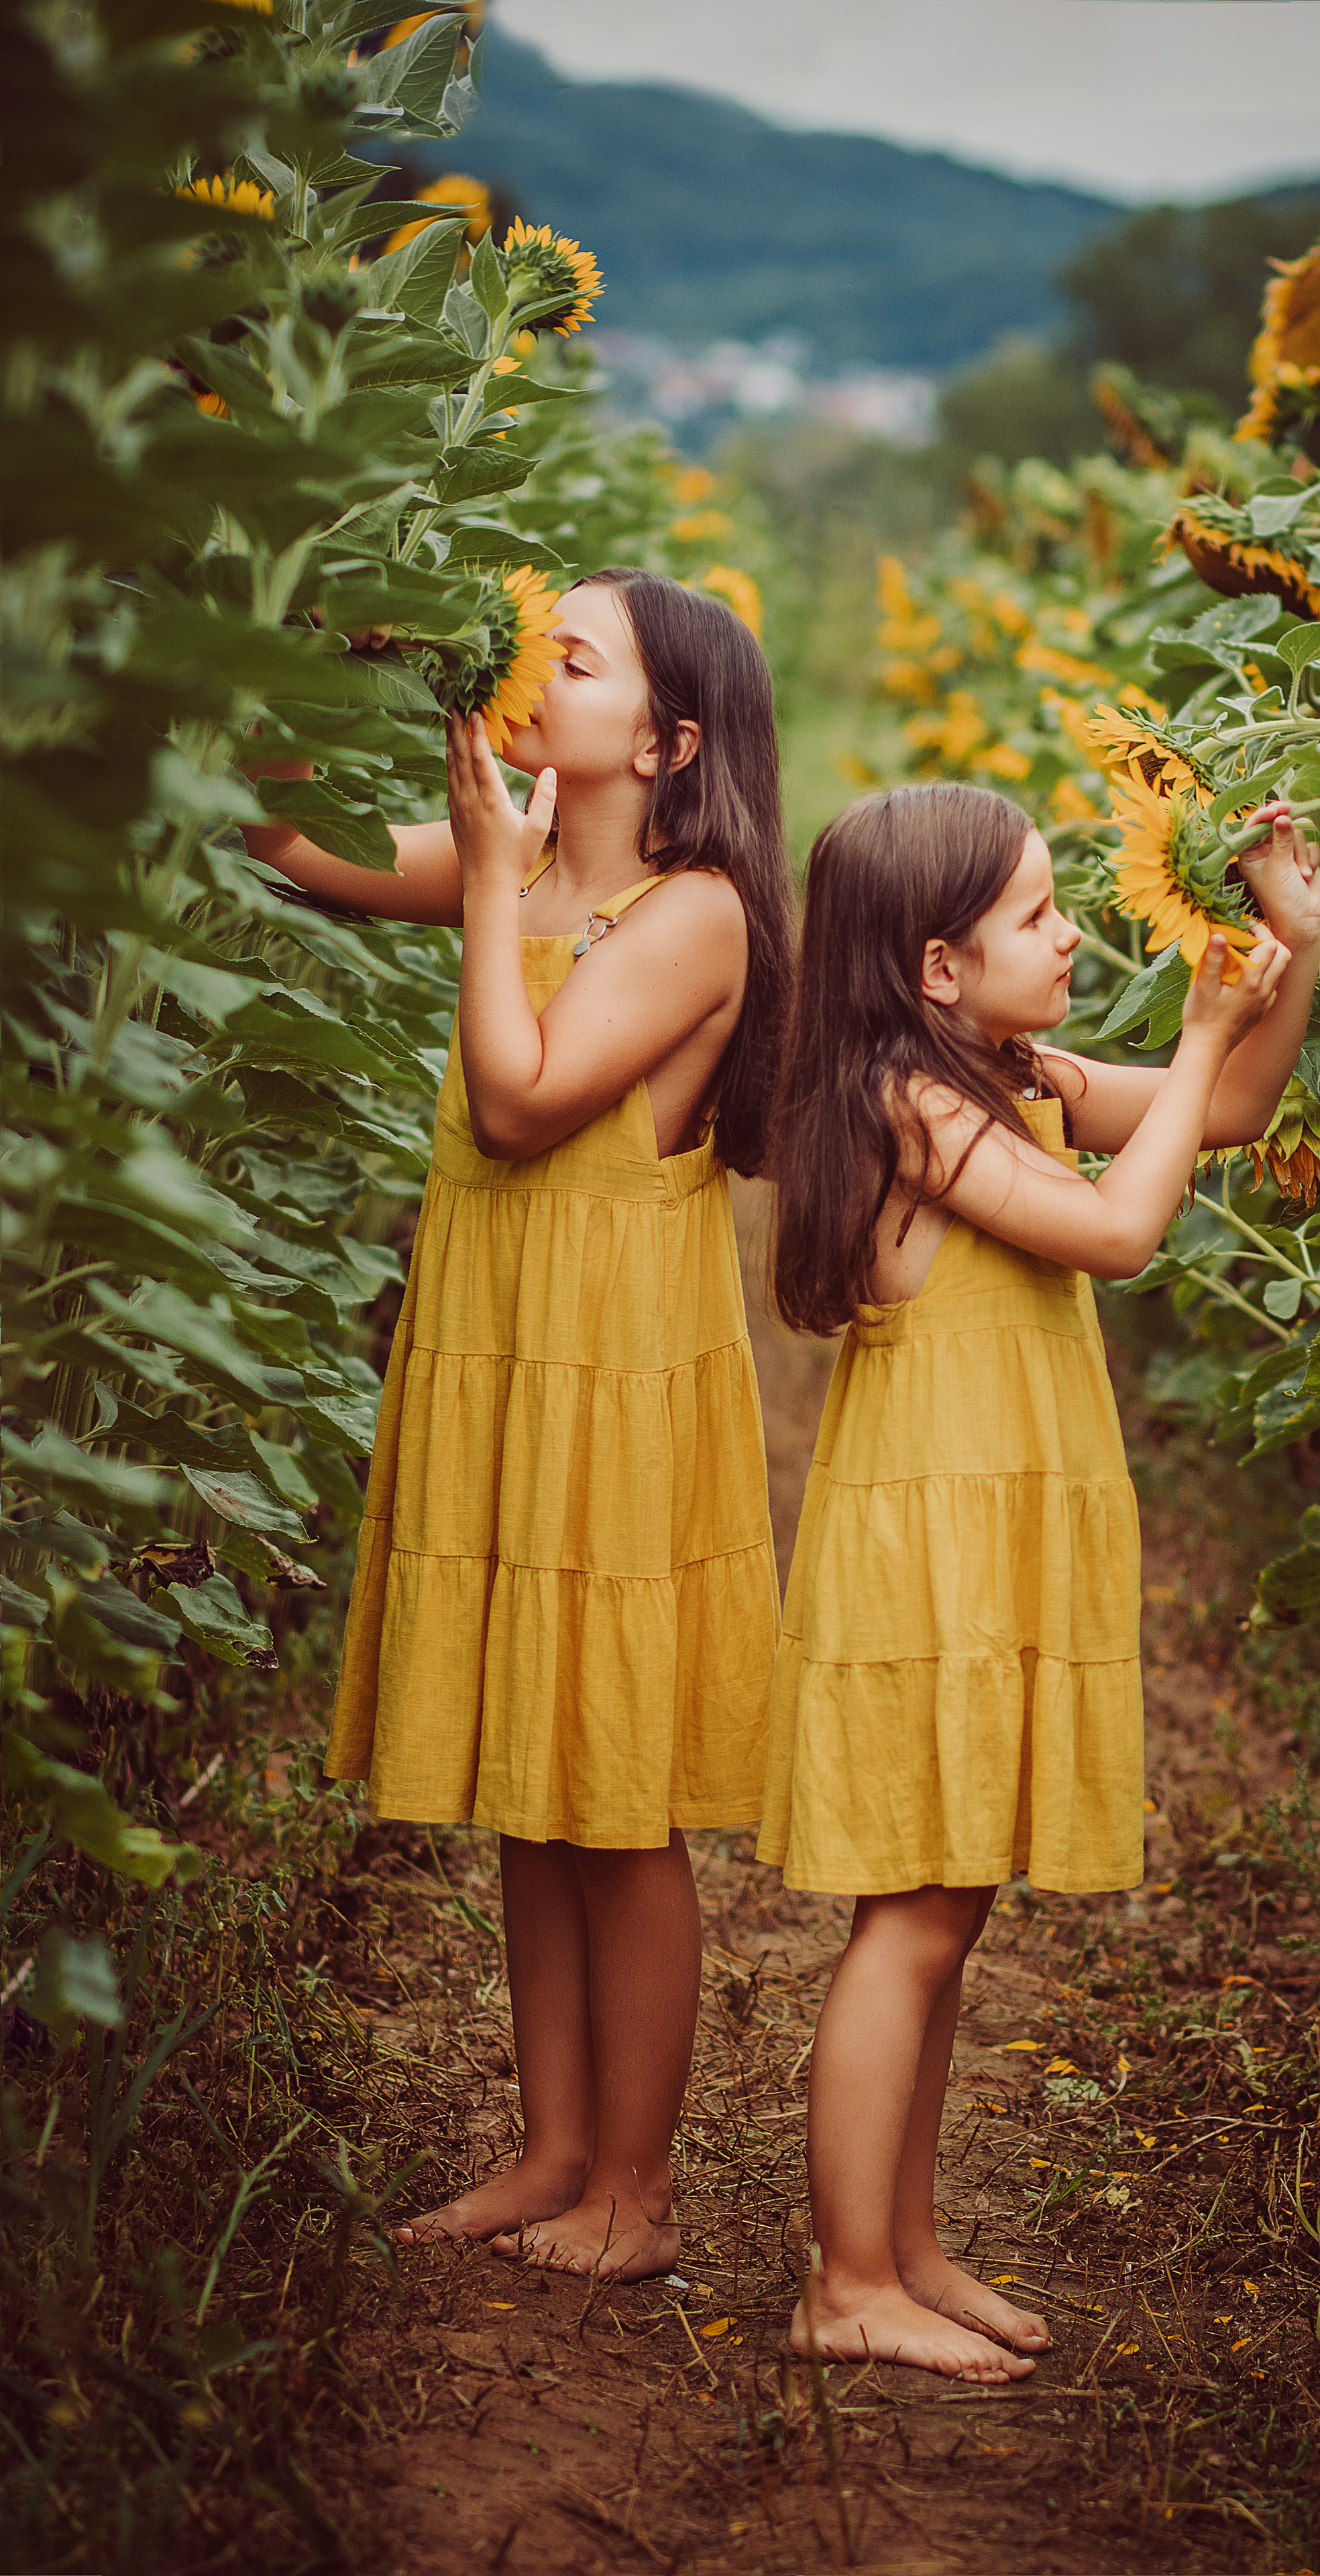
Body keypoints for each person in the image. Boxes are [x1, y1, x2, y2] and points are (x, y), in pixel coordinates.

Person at [243, 569, 793, 2277]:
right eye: (527, 640)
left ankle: (636, 2186)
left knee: (616, 1793)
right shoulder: (533, 860)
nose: (528, 667)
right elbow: (286, 846)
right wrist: (328, 655)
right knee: (536, 1784)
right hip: (502, 1344)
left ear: (668, 737)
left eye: (574, 654)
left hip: (612, 1369)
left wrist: (487, 881)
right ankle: (551, 2150)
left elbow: (521, 1096)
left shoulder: (691, 911)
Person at [760, 780, 1320, 2381]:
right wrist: (1209, 1028)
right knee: (911, 1921)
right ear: (936, 967)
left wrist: (1290, 952)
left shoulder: (1005, 1076)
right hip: (930, 1545)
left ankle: (908, 2244)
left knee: (953, 1905)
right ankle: (842, 2279)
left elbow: (1215, 1123)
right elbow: (1120, 1233)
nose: (1070, 931)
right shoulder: (907, 1103)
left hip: (991, 1528)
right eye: (1035, 912)